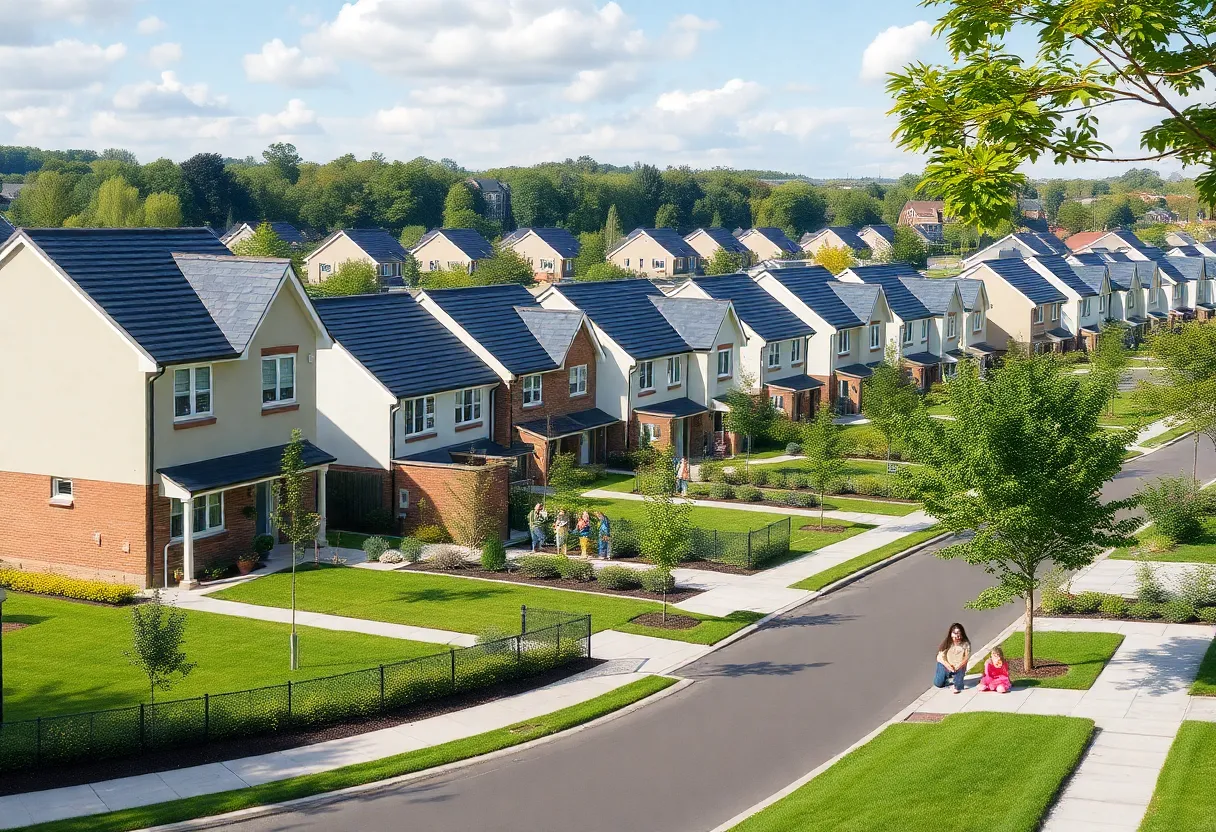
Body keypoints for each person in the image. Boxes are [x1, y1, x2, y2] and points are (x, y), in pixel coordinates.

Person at [933, 622, 971, 694]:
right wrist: (948, 666)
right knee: (938, 684)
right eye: (954, 633)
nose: (957, 635)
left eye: (958, 633)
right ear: (951, 634)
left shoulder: (965, 644)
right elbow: (940, 657)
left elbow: (966, 658)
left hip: (958, 666)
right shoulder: (948, 643)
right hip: (946, 665)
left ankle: (955, 682)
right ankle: (946, 678)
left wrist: (958, 666)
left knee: (959, 686)